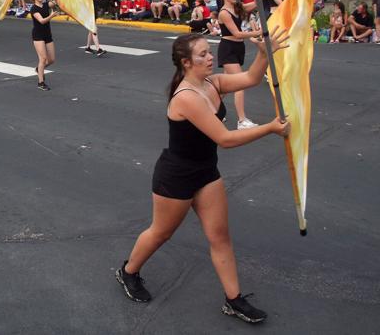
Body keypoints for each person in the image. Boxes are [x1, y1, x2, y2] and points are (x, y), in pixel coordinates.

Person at [115, 29, 290, 325]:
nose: (211, 58)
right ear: (186, 63)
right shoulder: (186, 97)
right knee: (161, 232)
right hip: (176, 176)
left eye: (209, 53)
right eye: (203, 55)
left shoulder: (213, 83)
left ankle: (233, 300)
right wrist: (271, 128)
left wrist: (263, 54)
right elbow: (225, 139)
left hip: (205, 172)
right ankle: (128, 271)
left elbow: (250, 79)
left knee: (219, 236)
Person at [217, 0, 261, 129]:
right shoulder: (224, 13)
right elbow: (237, 34)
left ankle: (210, 109)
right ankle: (242, 121)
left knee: (225, 87)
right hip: (228, 49)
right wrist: (258, 33)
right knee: (239, 83)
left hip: (238, 48)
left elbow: (253, 5)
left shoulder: (236, 7)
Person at [30, 0, 58, 91]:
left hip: (47, 34)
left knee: (52, 60)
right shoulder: (34, 9)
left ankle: (39, 69)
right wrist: (52, 16)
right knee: (43, 59)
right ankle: (41, 82)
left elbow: (56, 2)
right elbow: (41, 21)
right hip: (38, 36)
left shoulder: (46, 5)